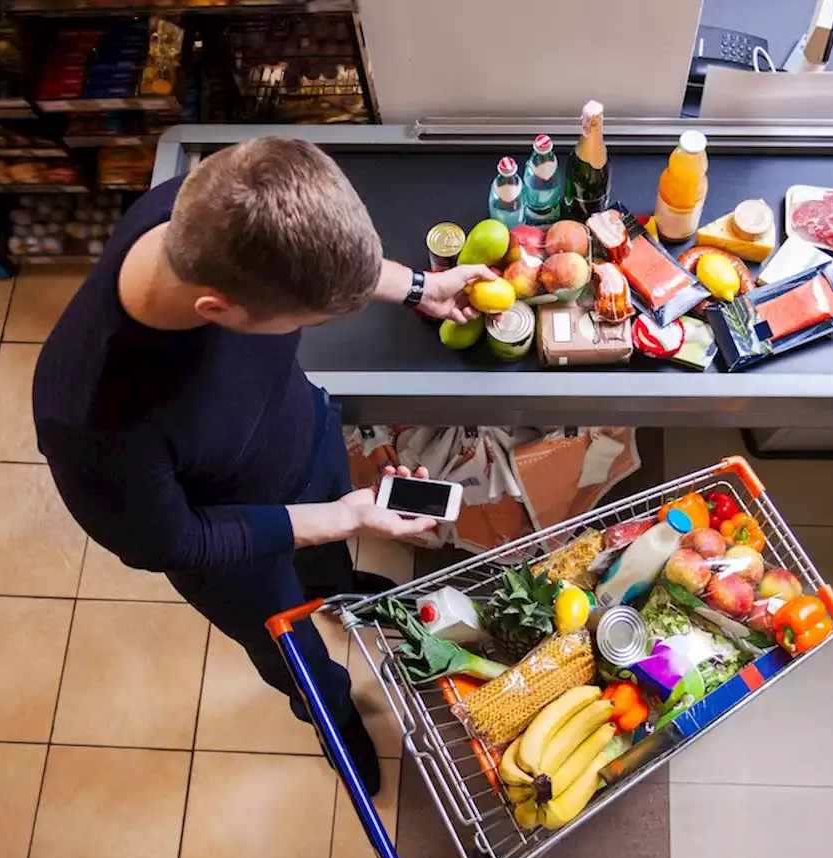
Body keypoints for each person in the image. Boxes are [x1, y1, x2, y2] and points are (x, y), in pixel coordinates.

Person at [32, 136, 493, 796]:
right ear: (217, 311)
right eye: (311, 320)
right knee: (291, 647)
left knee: (328, 563)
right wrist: (335, 516)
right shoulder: (96, 424)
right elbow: (176, 542)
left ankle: (334, 587)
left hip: (302, 435)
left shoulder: (209, 207)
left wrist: (421, 287)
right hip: (233, 551)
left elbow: (332, 266)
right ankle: (327, 713)